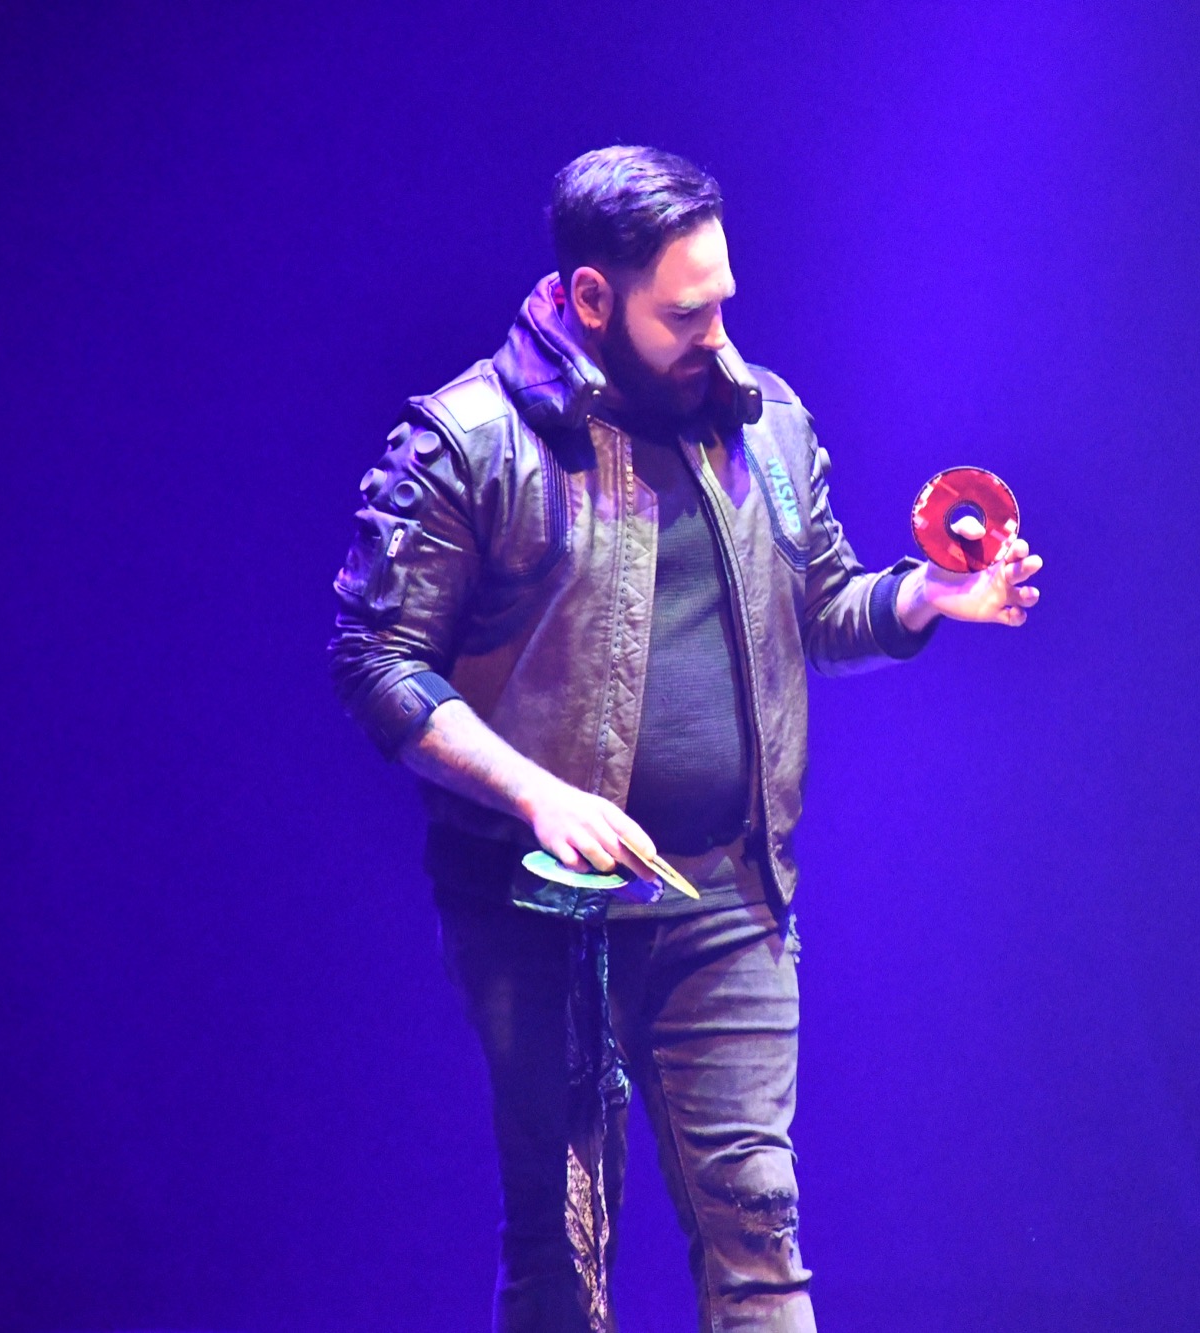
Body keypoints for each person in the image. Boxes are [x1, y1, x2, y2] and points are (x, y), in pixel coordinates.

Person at [328, 145, 1042, 1333]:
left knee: (762, 1236)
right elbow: (374, 659)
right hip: (538, 913)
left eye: (723, 301)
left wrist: (926, 596)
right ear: (590, 296)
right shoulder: (469, 441)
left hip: (726, 897)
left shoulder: (765, 422)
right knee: (563, 1253)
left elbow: (821, 606)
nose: (717, 334)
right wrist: (537, 794)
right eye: (683, 313)